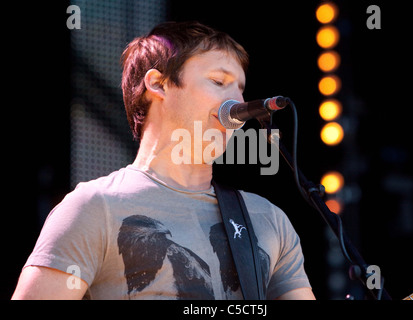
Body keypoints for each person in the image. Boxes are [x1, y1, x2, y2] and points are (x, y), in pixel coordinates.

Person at [12, 21, 315, 300]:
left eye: (241, 88)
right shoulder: (94, 208)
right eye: (219, 81)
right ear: (158, 84)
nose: (237, 103)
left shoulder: (269, 219)